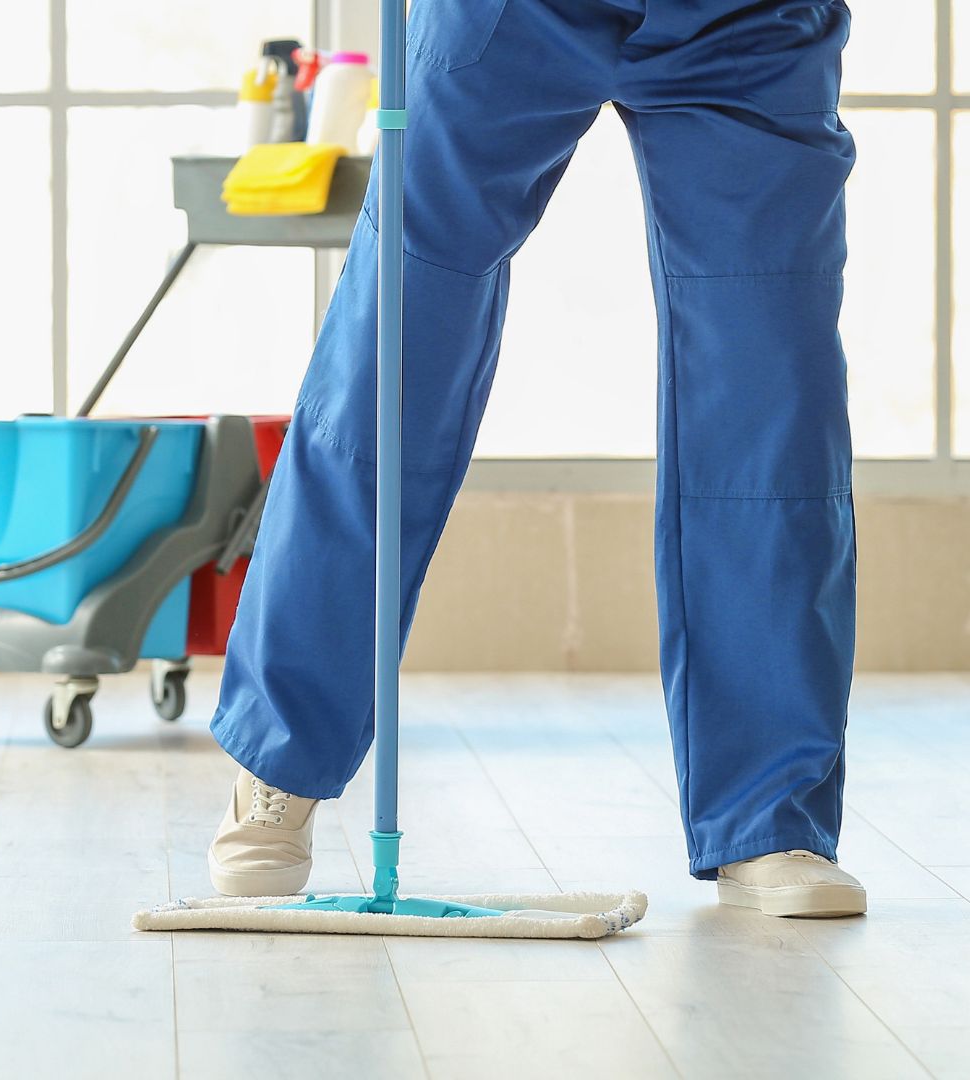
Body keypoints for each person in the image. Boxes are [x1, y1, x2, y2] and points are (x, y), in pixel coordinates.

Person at [206, 0, 866, 918]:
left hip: (748, 19)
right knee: (399, 346)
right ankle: (277, 760)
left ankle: (771, 813)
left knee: (772, 378)